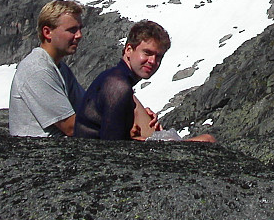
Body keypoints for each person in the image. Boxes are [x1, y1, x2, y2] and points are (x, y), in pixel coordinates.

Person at [74, 20, 215, 143]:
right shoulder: (118, 86)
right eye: (147, 53)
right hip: (92, 161)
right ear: (128, 50)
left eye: (158, 56)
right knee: (207, 140)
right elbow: (112, 149)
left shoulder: (116, 78)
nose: (153, 61)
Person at [8, 0, 87, 137]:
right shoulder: (37, 70)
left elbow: (87, 107)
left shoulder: (60, 68)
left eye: (80, 29)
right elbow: (71, 127)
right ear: (47, 32)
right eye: (72, 30)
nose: (79, 35)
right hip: (37, 154)